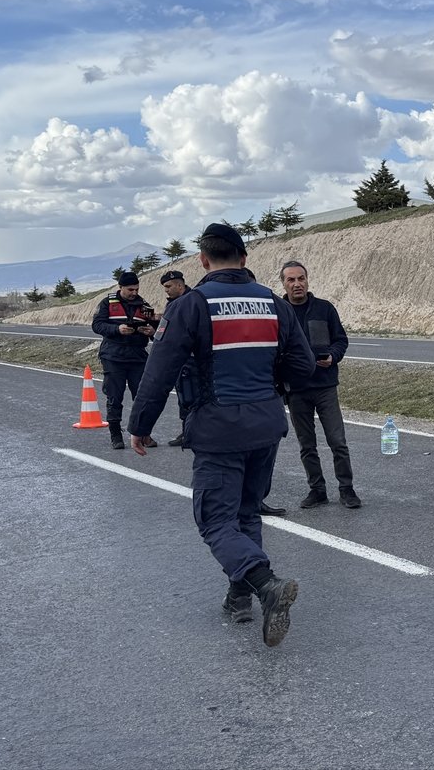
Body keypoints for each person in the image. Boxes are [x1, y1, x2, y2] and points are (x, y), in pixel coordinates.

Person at [127, 223, 315, 647]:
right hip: (266, 425)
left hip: (218, 428)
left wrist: (140, 426)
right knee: (246, 513)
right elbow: (303, 368)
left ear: (204, 261)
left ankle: (266, 584)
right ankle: (240, 598)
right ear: (245, 259)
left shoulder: (190, 305)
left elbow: (159, 373)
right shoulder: (274, 303)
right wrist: (269, 389)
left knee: (215, 519)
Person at [278, 260, 360, 509]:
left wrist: (333, 356)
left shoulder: (325, 309)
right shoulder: (280, 312)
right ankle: (317, 490)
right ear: (283, 283)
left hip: (325, 387)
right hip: (296, 390)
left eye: (301, 278)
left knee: (338, 442)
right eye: (291, 280)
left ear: (307, 280)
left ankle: (347, 489)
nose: (297, 284)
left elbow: (341, 341)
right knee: (307, 445)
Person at [91, 271, 158, 450]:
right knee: (115, 396)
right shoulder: (107, 303)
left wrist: (152, 332)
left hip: (137, 357)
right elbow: (97, 325)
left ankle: (143, 433)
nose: (134, 293)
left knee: (142, 397)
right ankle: (116, 435)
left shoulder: (144, 305)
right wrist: (117, 329)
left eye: (136, 289)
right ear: (120, 287)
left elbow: (157, 330)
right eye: (130, 289)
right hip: (113, 356)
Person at [159, 270, 191, 447]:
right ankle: (186, 430)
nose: (166, 290)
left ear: (180, 285)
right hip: (180, 359)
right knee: (183, 397)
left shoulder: (192, 301)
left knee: (192, 396)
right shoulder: (173, 303)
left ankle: (193, 432)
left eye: (169, 286)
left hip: (192, 360)